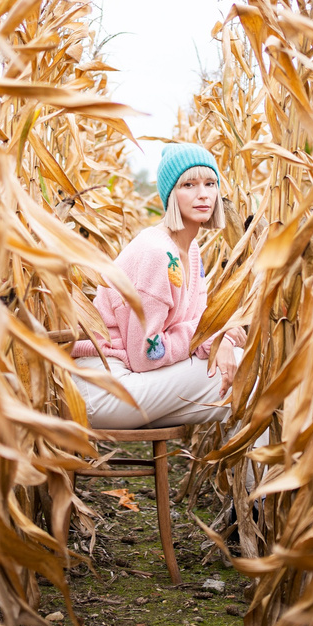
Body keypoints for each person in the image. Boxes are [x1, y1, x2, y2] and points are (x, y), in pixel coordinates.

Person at [70, 143, 246, 429]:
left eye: (210, 183)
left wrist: (219, 336)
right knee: (242, 375)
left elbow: (200, 324)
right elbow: (147, 354)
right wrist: (215, 334)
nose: (203, 194)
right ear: (170, 195)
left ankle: (261, 473)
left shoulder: (190, 250)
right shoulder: (156, 252)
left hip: (132, 382)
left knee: (242, 373)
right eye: (188, 184)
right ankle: (271, 475)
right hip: (102, 386)